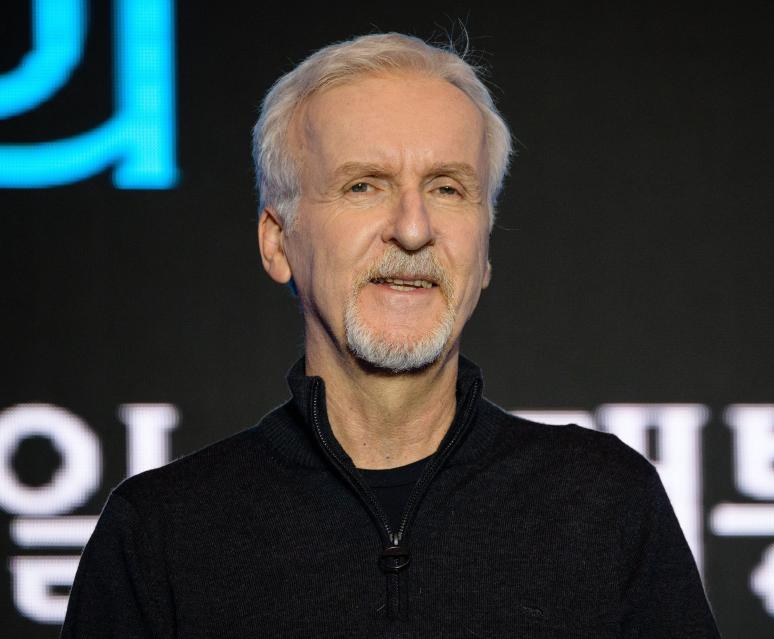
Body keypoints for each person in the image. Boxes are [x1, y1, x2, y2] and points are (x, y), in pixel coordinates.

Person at [61, 33, 721, 637]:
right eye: (363, 186)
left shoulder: (605, 502)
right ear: (277, 242)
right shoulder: (162, 533)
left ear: (485, 250)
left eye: (447, 188)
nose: (413, 228)